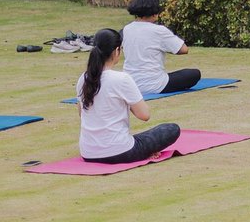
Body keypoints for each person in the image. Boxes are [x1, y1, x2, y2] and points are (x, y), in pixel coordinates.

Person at [77, 28, 181, 164]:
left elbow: (82, 113)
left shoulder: (83, 79)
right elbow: (144, 115)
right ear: (116, 51)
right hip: (120, 151)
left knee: (138, 138)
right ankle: (144, 152)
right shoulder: (122, 79)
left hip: (88, 152)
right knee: (171, 129)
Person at [122, 0, 201, 94]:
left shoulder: (127, 29)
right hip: (155, 85)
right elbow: (183, 49)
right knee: (194, 74)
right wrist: (164, 47)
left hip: (130, 84)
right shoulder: (159, 31)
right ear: (155, 11)